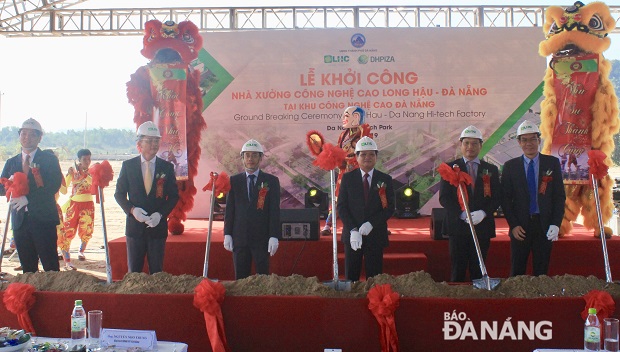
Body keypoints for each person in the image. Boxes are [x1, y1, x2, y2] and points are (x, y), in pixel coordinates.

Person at [502, 120, 565, 276]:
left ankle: (540, 300)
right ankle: (517, 300)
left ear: (539, 140)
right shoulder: (510, 166)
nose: (528, 143)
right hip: (520, 227)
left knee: (541, 271)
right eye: (524, 139)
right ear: (519, 142)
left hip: (544, 226)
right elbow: (505, 199)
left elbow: (558, 196)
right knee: (517, 271)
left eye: (532, 139)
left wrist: (555, 224)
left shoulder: (552, 163)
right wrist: (513, 225)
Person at [114, 121, 179, 274]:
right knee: (134, 273)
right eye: (149, 141)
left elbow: (174, 196)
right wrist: (132, 210)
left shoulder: (167, 167)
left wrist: (160, 214)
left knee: (157, 272)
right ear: (139, 143)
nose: (154, 144)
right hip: (135, 230)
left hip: (157, 229)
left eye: (156, 140)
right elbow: (119, 194)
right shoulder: (128, 166)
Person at [439, 126, 501, 282]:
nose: (470, 147)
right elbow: (444, 198)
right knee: (457, 270)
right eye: (466, 143)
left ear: (481, 145)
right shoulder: (450, 168)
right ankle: (457, 304)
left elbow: (497, 197)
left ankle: (477, 303)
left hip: (482, 227)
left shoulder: (490, 169)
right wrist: (461, 214)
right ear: (461, 145)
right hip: (458, 227)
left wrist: (484, 213)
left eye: (474, 143)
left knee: (478, 270)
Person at [0, 118, 62, 272]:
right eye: (23, 133)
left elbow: (53, 185)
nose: (27, 137)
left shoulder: (49, 160)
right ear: (19, 135)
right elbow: (2, 188)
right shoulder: (11, 162)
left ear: (39, 138)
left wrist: (28, 199)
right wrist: (9, 185)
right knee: (27, 267)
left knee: (50, 265)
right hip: (20, 222)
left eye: (32, 134)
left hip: (43, 219)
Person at [337, 136, 394, 281]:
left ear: (376, 157)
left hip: (375, 235)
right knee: (351, 277)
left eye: (371, 154)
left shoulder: (385, 179)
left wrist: (371, 223)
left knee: (375, 278)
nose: (367, 157)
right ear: (356, 156)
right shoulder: (348, 179)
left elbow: (389, 208)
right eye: (363, 154)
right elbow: (342, 207)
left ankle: (374, 303)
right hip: (352, 236)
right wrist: (353, 230)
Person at [224, 139, 281, 280]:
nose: (250, 159)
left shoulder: (271, 181)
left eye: (254, 155)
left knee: (263, 279)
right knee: (241, 280)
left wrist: (274, 235)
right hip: (240, 238)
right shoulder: (233, 181)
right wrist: (227, 234)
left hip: (262, 239)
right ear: (242, 157)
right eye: (247, 155)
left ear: (261, 158)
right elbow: (230, 210)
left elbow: (274, 211)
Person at [321, 106, 371, 236]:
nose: (343, 119)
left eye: (346, 116)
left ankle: (375, 223)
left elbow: (365, 153)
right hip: (345, 172)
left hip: (359, 171)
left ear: (356, 118)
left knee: (366, 197)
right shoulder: (343, 134)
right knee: (338, 197)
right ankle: (328, 224)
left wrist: (350, 159)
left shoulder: (364, 133)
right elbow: (339, 151)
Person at [58, 149, 94, 270]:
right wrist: (68, 175)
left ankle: (81, 251)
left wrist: (85, 174)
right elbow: (64, 189)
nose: (87, 162)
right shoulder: (73, 170)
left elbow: (94, 185)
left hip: (88, 205)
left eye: (89, 159)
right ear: (79, 160)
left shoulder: (92, 171)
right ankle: (67, 260)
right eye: (85, 159)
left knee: (86, 230)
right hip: (74, 205)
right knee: (68, 231)